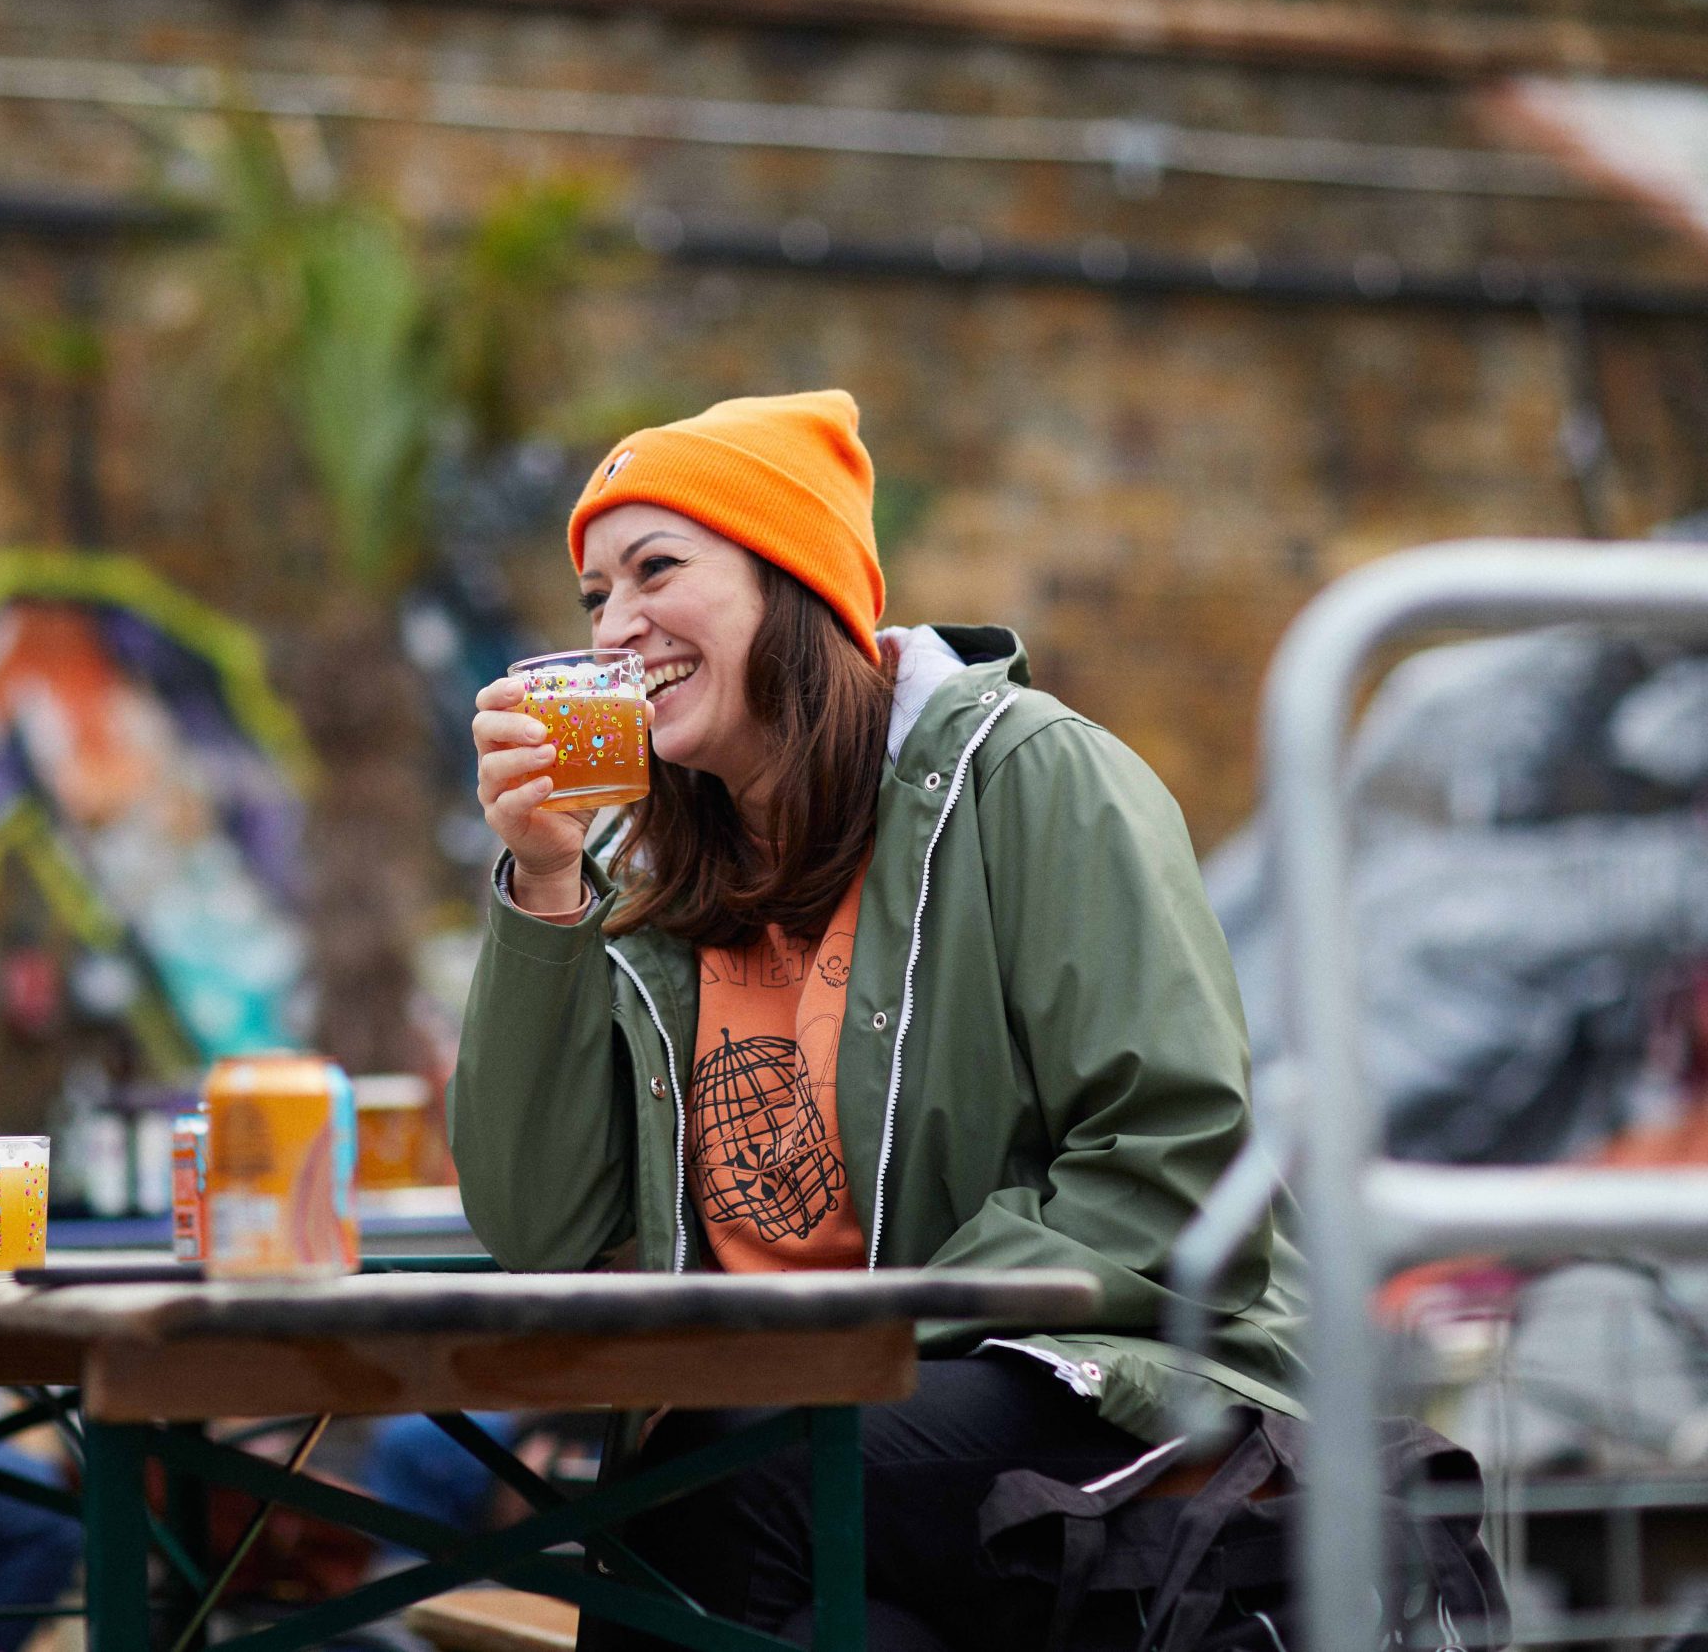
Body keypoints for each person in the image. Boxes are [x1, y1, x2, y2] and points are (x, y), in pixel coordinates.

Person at [451, 392, 1311, 1652]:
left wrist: (863, 1332)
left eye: (656, 569)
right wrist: (540, 885)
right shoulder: (643, 878)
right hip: (798, 1423)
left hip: (1112, 1381)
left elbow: (1172, 1170)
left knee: (710, 1481)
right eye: (592, 596)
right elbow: (542, 1228)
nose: (616, 624)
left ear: (790, 581)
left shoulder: (1030, 780)